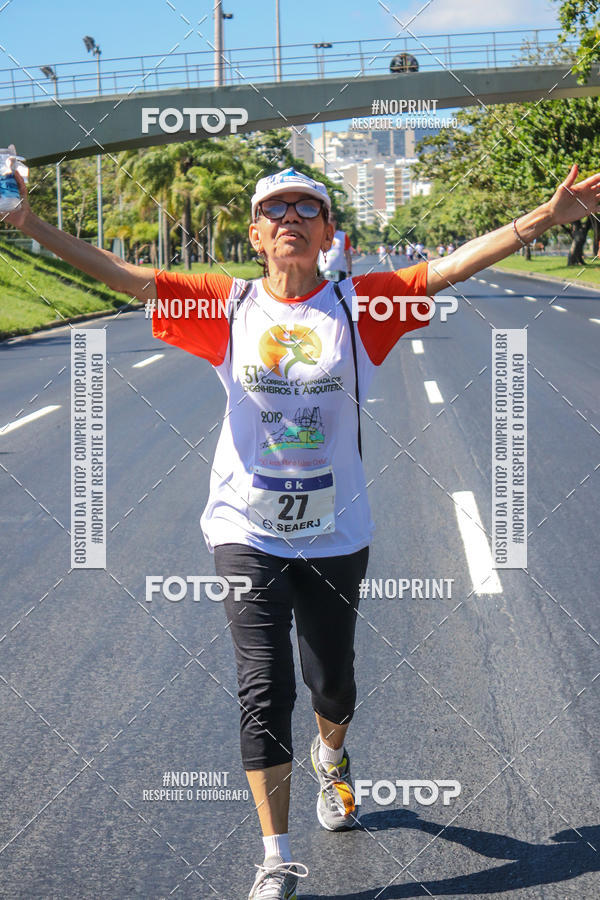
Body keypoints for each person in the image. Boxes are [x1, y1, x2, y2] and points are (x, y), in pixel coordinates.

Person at [6, 158, 600, 899]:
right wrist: (27, 223)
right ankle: (276, 855)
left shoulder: (361, 307)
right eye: (275, 209)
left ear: (327, 233)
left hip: (336, 532)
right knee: (263, 687)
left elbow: (447, 268)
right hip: (243, 528)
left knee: (333, 684)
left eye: (305, 208)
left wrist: (544, 218)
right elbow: (130, 278)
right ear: (256, 234)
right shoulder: (227, 305)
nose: (290, 217)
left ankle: (333, 758)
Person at [317, 213, 352, 282]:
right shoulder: (319, 235)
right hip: (323, 273)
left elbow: (348, 256)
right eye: (326, 220)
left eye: (331, 220)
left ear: (335, 222)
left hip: (339, 273)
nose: (329, 222)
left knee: (338, 292)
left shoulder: (343, 236)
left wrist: (349, 272)